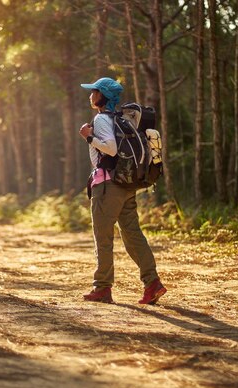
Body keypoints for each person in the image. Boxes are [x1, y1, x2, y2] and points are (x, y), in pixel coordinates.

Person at [78, 77, 167, 305]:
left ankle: (102, 288)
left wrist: (89, 136)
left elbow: (111, 148)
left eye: (94, 91)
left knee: (103, 236)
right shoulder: (119, 119)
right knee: (133, 235)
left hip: (108, 186)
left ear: (103, 96)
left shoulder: (101, 120)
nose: (91, 95)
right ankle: (152, 284)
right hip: (126, 185)